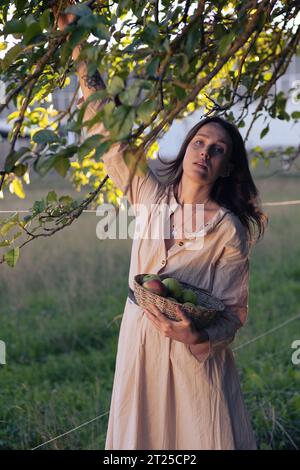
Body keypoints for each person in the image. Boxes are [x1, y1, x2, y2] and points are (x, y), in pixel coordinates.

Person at [54, 3, 268, 450]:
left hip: (192, 354)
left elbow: (231, 314)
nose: (205, 153)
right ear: (187, 146)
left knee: (196, 433)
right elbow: (111, 138)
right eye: (200, 142)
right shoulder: (151, 197)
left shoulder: (228, 230)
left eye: (218, 151)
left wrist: (196, 333)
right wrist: (81, 52)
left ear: (226, 169)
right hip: (140, 341)